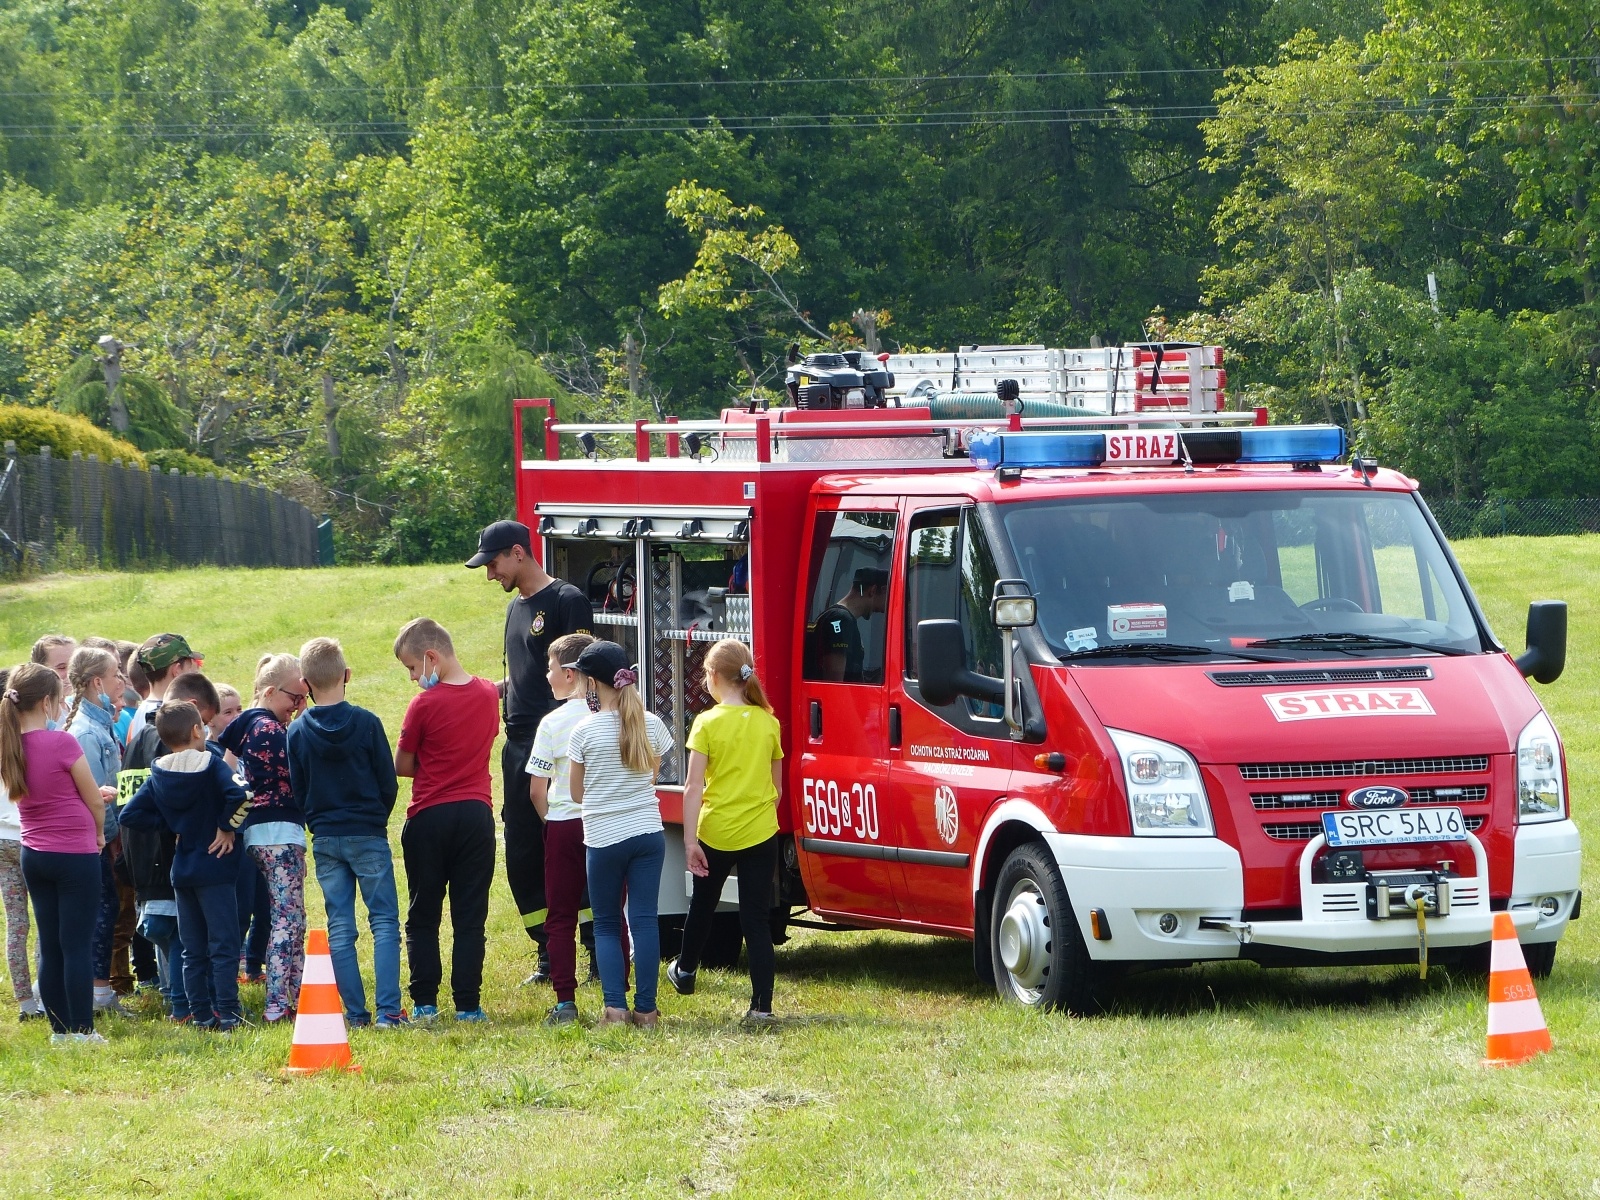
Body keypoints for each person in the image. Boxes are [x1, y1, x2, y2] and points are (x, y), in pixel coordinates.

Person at [467, 519, 591, 983]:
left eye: (493, 563)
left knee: (572, 849)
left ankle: (597, 949)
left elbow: (584, 673)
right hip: (518, 746)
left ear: (518, 553)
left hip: (561, 748)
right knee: (522, 855)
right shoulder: (516, 608)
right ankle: (547, 952)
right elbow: (521, 676)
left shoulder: (565, 600)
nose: (490, 574)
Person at [287, 637, 404, 1028]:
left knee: (340, 925)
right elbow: (388, 782)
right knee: (384, 920)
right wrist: (376, 818)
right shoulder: (367, 723)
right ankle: (389, 1011)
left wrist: (317, 822)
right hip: (367, 830)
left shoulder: (297, 731)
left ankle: (356, 1014)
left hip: (326, 836)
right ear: (347, 675)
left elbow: (298, 787)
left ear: (305, 684)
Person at [667, 640, 785, 1024]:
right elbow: (777, 788)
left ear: (714, 677)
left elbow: (693, 786)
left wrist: (689, 841)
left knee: (703, 903)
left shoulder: (707, 722)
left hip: (716, 831)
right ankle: (762, 1007)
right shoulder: (769, 722)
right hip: (761, 832)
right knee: (756, 919)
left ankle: (685, 971)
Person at [119, 701, 250, 1031]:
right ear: (197, 730)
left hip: (183, 871)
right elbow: (243, 795)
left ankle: (200, 1013)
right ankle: (228, 1012)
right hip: (216, 866)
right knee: (223, 944)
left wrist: (171, 824)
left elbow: (129, 815)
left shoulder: (159, 772)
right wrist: (225, 826)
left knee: (192, 948)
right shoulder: (211, 764)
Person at [393, 618, 499, 1023]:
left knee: (423, 913)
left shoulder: (424, 703)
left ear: (431, 657)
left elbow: (402, 765)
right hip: (476, 814)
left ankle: (425, 1002)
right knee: (470, 915)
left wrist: (433, 761)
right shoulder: (489, 693)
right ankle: (469, 1004)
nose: (413, 678)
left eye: (413, 668)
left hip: (429, 814)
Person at [567, 640, 672, 1028]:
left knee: (608, 922)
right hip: (648, 831)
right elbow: (652, 774)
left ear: (592, 683)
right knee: (644, 920)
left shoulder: (584, 732)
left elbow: (577, 794)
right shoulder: (651, 723)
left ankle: (615, 1008)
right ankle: (647, 1010)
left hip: (604, 836)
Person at [2, 662, 107, 1044]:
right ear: (48, 702)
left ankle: (59, 1030)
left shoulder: (8, 745)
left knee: (50, 943)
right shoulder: (61, 742)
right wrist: (98, 834)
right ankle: (83, 1029)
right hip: (74, 854)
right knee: (77, 944)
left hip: (34, 853)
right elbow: (94, 799)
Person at [524, 631, 608, 1025]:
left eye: (551, 668)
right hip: (607, 823)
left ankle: (565, 1002)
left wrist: (551, 821)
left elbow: (537, 789)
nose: (546, 676)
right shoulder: (610, 714)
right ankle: (616, 999)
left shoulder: (552, 723)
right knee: (609, 913)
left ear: (571, 674)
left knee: (560, 915)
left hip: (563, 823)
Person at [217, 654, 306, 1024]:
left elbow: (227, 774)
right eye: (294, 699)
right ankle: (277, 1004)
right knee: (287, 918)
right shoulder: (270, 731)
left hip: (256, 831)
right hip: (279, 831)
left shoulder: (243, 729)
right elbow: (299, 774)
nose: (299, 706)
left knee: (292, 916)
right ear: (270, 691)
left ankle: (298, 995)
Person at [64, 646, 131, 1018]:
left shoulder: (102, 722)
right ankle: (98, 992)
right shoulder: (87, 733)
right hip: (93, 839)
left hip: (105, 835)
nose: (121, 680)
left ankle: (98, 989)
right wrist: (105, 836)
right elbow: (91, 795)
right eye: (115, 673)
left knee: (108, 907)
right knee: (103, 910)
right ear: (95, 682)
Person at [211, 683, 264, 983]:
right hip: (234, 836)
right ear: (212, 719)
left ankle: (254, 964)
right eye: (227, 712)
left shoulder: (250, 745)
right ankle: (231, 969)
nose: (235, 717)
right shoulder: (213, 750)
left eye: (239, 710)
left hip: (256, 831)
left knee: (264, 903)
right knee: (240, 907)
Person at [0, 669, 44, 1020]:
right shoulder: (31, 740)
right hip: (29, 837)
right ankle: (43, 995)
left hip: (1, 841)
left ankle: (25, 1003)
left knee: (16, 924)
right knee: (45, 920)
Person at [804, 567, 889, 683]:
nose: (885, 608)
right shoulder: (841, 619)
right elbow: (834, 684)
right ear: (873, 590)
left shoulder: (837, 617)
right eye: (887, 596)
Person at [125, 634, 202, 745]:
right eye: (189, 667)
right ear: (177, 670)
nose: (193, 673)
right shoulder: (172, 716)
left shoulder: (141, 711)